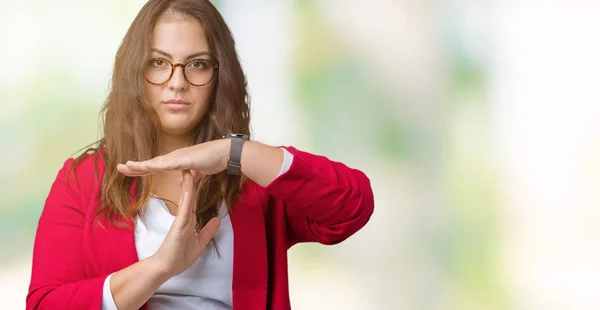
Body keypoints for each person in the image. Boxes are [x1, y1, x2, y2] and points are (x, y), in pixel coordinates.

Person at [26, 0, 374, 309]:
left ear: (220, 77)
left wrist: (233, 153)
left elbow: (352, 207)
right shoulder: (85, 178)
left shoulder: (253, 179)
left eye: (198, 64)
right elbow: (44, 304)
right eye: (159, 62)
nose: (177, 82)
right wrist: (160, 266)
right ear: (135, 73)